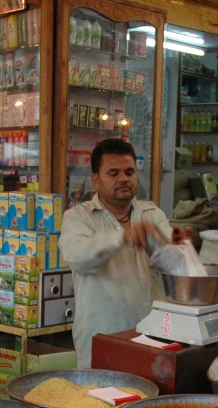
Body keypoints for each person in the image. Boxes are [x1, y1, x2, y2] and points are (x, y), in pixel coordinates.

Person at [59, 138, 173, 368]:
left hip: (153, 337)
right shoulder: (78, 217)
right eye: (113, 173)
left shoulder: (152, 213)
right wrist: (122, 237)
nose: (123, 179)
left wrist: (162, 244)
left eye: (129, 172)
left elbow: (174, 261)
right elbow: (79, 258)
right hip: (103, 339)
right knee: (104, 400)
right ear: (95, 179)